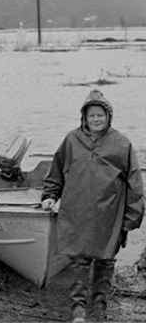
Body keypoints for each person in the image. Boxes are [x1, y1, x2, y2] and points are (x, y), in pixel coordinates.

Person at [41, 89, 144, 323]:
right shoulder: (71, 140)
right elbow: (56, 171)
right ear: (84, 118)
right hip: (76, 210)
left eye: (100, 115)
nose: (96, 119)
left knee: (106, 259)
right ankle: (78, 307)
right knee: (79, 259)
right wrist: (50, 195)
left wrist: (131, 218)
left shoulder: (121, 144)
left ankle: (99, 305)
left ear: (108, 117)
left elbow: (135, 184)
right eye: (91, 116)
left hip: (109, 214)